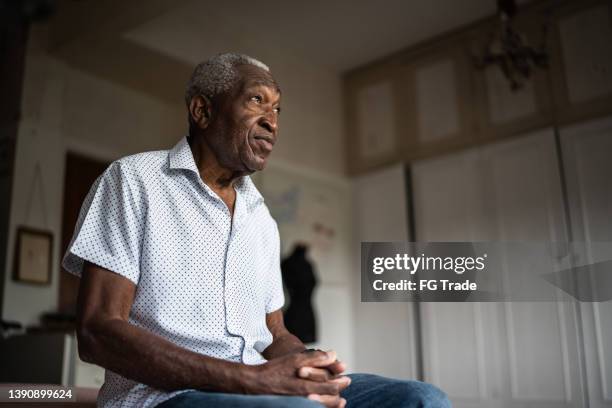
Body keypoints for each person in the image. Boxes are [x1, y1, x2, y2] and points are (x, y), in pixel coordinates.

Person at [62, 53, 450, 408]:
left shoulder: (260, 217)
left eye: (278, 108)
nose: (273, 121)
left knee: (421, 399)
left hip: (257, 385)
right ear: (202, 110)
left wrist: (305, 364)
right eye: (256, 101)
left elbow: (274, 333)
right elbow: (98, 330)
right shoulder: (134, 180)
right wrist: (249, 379)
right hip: (165, 397)